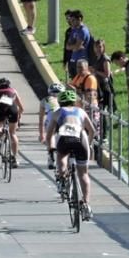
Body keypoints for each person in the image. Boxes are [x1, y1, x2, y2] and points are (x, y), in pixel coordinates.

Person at [46, 90, 96, 220]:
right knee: (84, 174)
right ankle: (86, 204)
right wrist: (89, 145)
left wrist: (50, 150)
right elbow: (92, 131)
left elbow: (49, 134)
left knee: (61, 158)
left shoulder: (57, 112)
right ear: (75, 102)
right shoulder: (81, 111)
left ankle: (62, 179)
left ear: (60, 102)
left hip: (65, 138)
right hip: (81, 139)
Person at [0, 77, 24, 168]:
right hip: (12, 109)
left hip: (1, 108)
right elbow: (21, 108)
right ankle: (14, 158)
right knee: (12, 133)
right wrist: (19, 116)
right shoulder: (13, 91)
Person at [38, 82, 64, 170]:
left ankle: (51, 154)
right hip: (63, 117)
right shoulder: (64, 99)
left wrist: (41, 134)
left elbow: (41, 119)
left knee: (51, 136)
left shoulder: (45, 100)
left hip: (50, 117)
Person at [65, 10, 91, 80]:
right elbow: (67, 46)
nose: (71, 23)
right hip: (73, 60)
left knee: (80, 82)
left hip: (81, 62)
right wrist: (74, 47)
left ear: (79, 19)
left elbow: (77, 46)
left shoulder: (83, 31)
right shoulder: (74, 30)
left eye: (73, 20)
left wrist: (74, 46)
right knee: (73, 82)